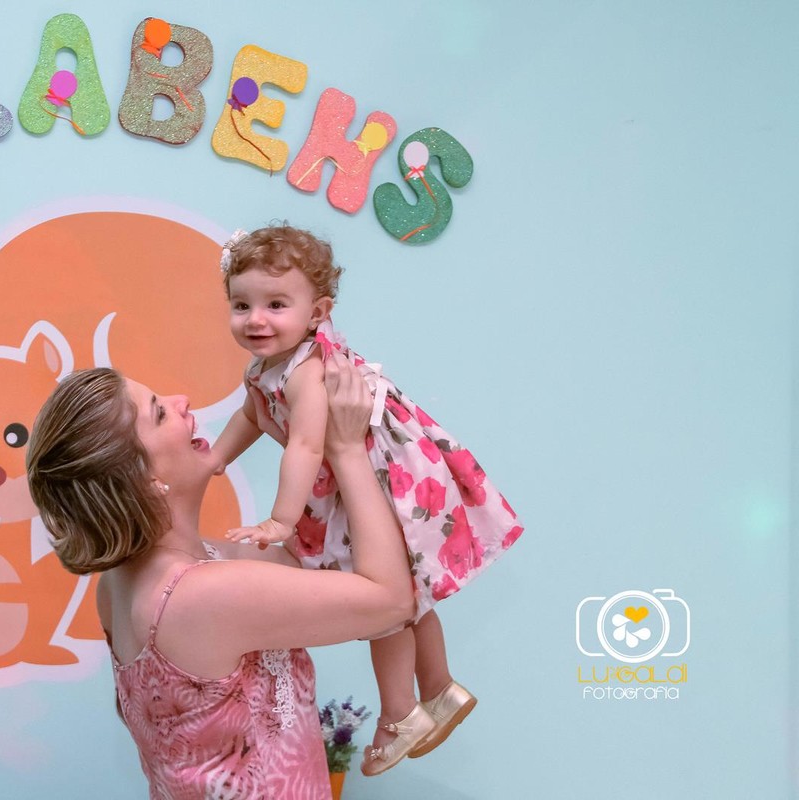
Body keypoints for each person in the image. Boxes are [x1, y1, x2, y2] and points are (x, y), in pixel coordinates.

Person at [26, 355, 414, 799]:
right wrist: (346, 449)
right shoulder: (201, 595)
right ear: (144, 477)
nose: (182, 402)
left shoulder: (131, 581)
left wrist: (306, 440)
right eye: (159, 412)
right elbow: (391, 601)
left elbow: (305, 559)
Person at [213, 224, 524, 776]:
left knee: (381, 601)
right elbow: (249, 418)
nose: (255, 319)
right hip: (371, 480)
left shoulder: (307, 371)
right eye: (242, 305)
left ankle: (399, 713)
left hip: (383, 481)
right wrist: (215, 461)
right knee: (406, 589)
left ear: (317, 312)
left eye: (275, 304)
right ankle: (438, 687)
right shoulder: (266, 367)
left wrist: (282, 521)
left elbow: (308, 445)